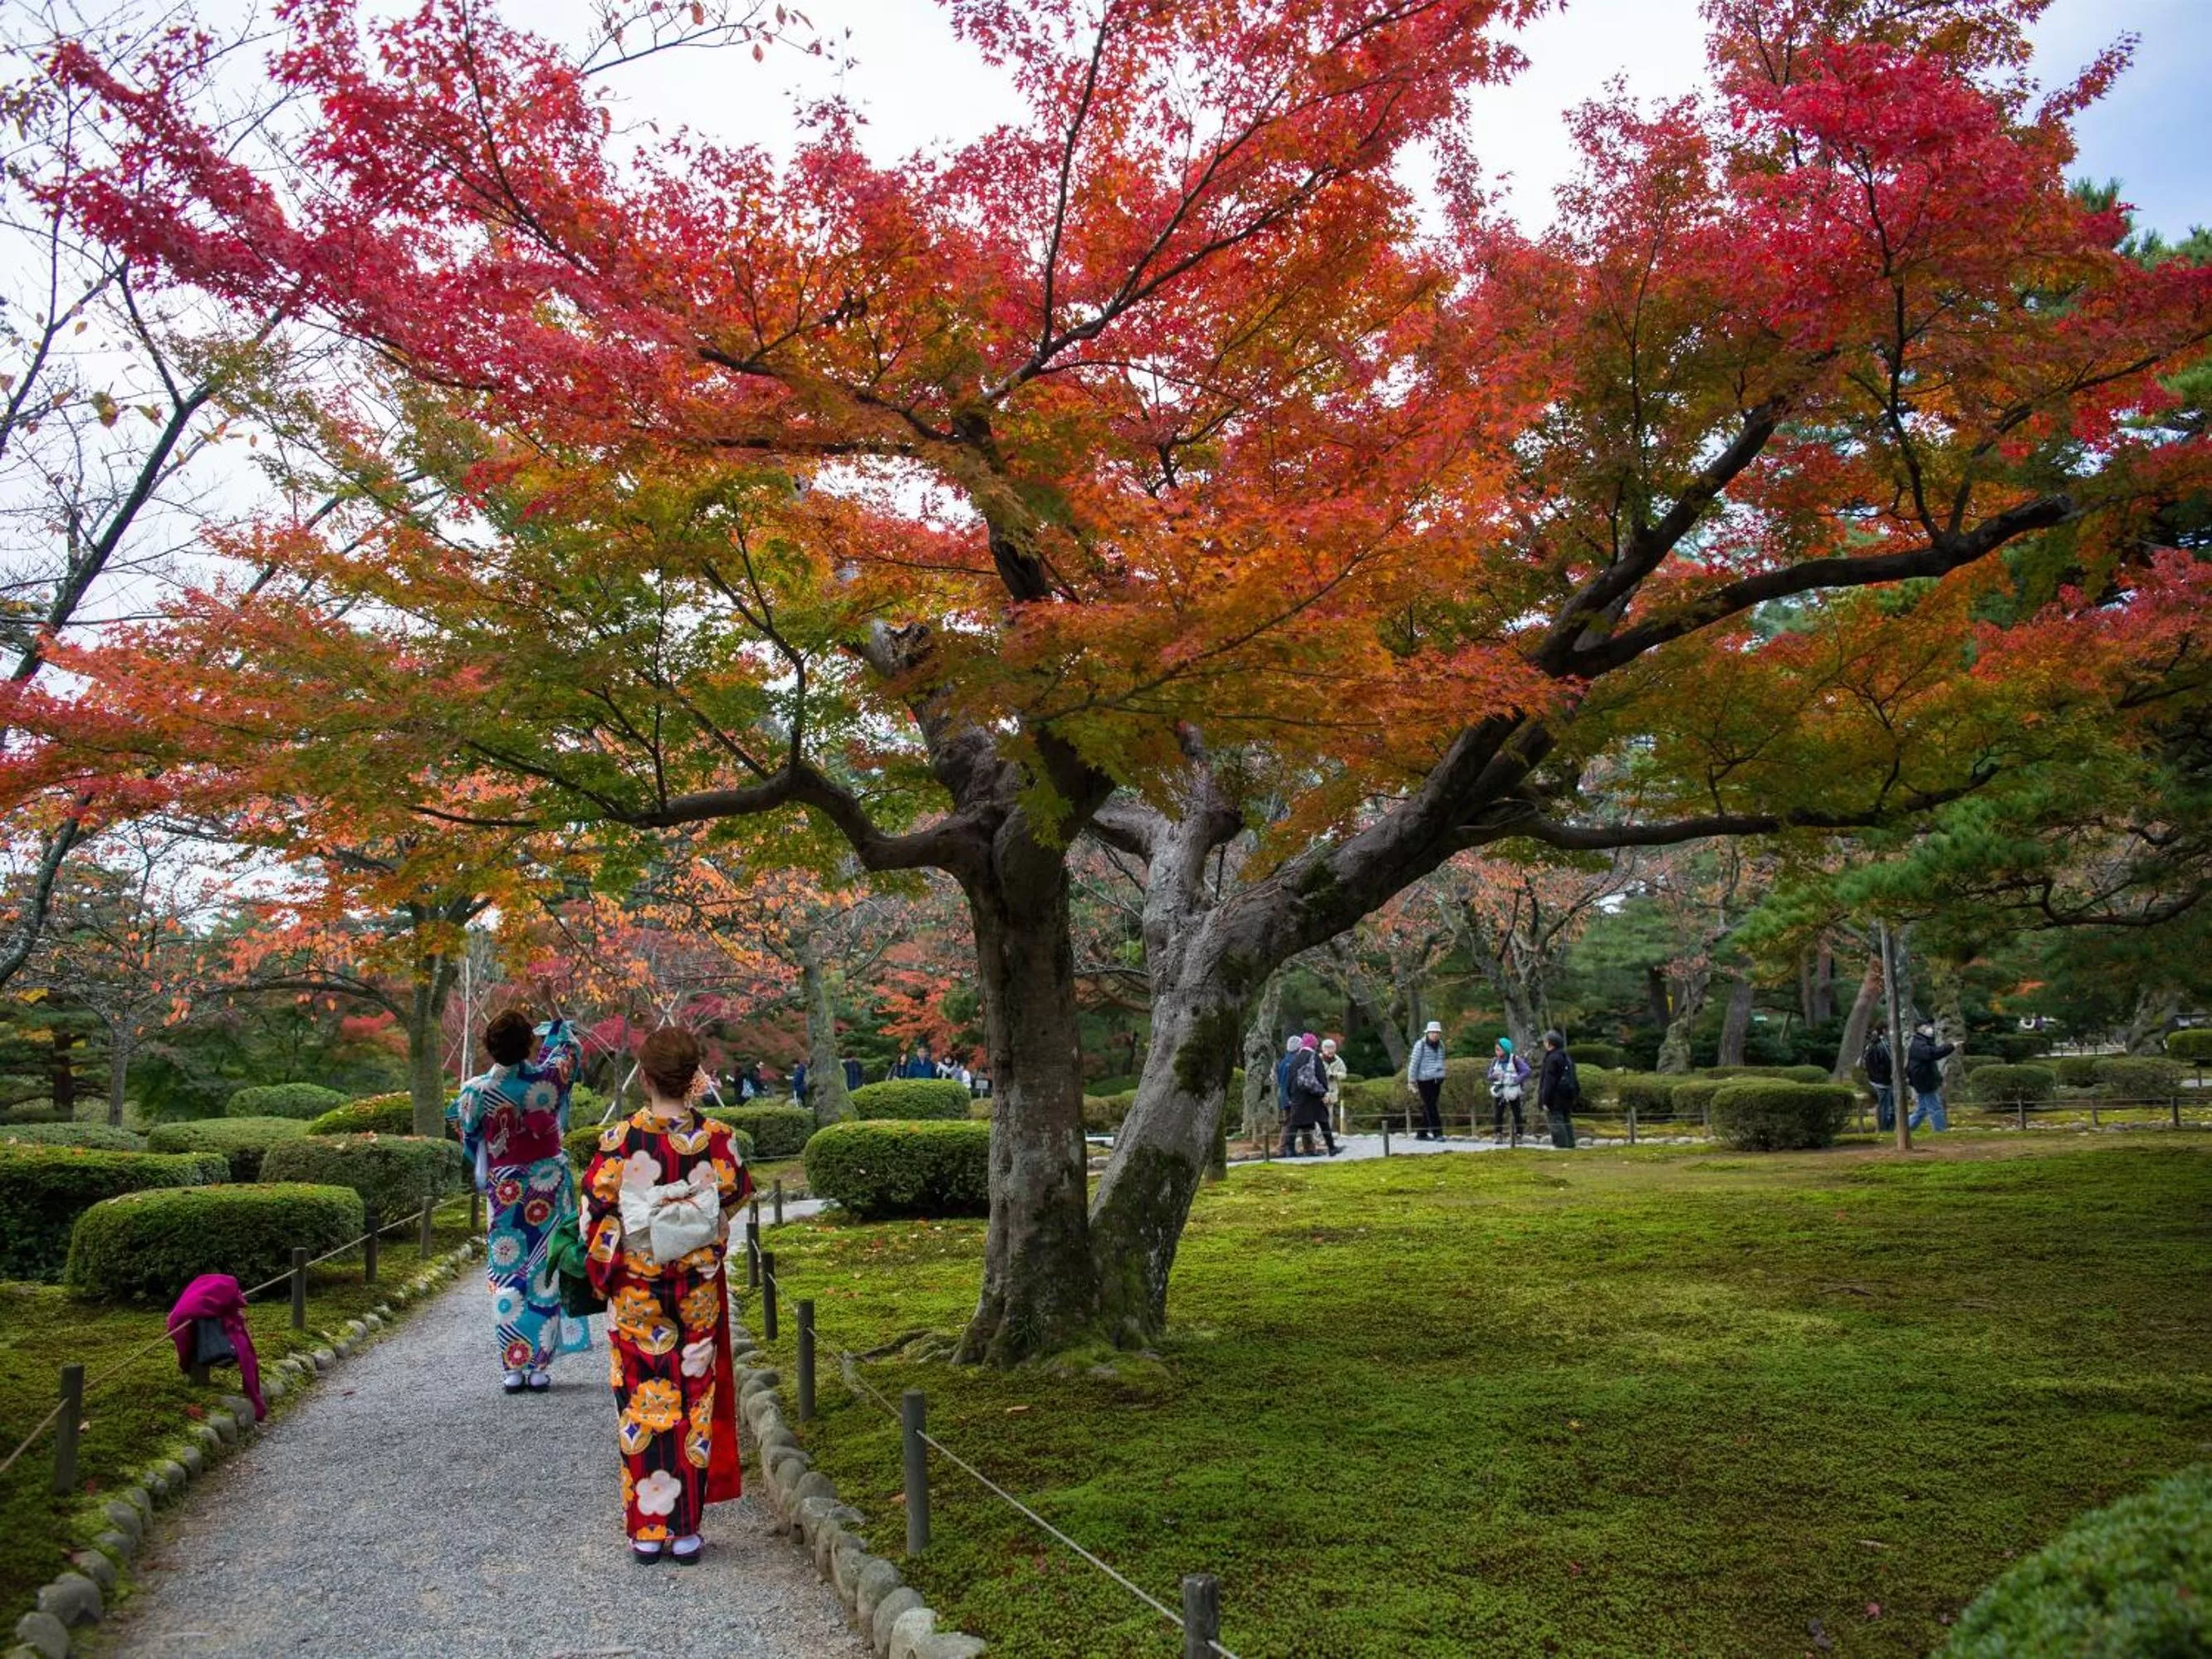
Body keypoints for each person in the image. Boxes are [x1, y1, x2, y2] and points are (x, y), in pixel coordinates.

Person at [581, 1025, 751, 1564]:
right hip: (696, 1292)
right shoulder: (718, 1140)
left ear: (646, 1078)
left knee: (641, 1401)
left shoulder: (618, 1143)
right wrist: (693, 1227)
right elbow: (734, 1199)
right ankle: (686, 1531)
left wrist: (624, 1252)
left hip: (637, 1296)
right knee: (693, 1400)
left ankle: (647, 1530)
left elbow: (594, 1215)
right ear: (694, 1078)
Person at [454, 1009, 592, 1394]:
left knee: (506, 1269)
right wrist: (557, 1026)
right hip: (549, 1182)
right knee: (544, 1269)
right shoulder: (546, 1079)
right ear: (528, 1045)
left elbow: (466, 1132)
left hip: (505, 1188)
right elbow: (565, 1052)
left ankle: (513, 1367)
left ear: (489, 1046)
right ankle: (541, 1368)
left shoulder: (475, 1090)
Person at [1280, 1034, 1341, 1157]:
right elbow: (1318, 1075)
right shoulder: (1313, 1057)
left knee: (1294, 1123)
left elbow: (1290, 1079)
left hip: (1297, 1096)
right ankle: (1332, 1147)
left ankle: (1290, 1150)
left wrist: (1291, 1095)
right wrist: (1323, 1091)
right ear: (1313, 1045)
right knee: (1323, 1120)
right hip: (1312, 1096)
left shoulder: (1295, 1059)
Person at [1906, 1020, 1957, 1133]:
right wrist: (1950, 1047)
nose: (1930, 1028)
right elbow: (1932, 1053)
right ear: (1919, 1029)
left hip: (1922, 1079)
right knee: (1935, 1107)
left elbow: (1933, 1052)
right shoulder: (1919, 1044)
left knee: (1922, 1109)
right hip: (1924, 1080)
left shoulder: (1923, 1041)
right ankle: (1940, 1130)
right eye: (1926, 1026)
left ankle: (1906, 1128)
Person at [1536, 1030, 1579, 1148]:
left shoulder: (1552, 1058)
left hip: (1555, 1096)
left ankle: (1561, 1145)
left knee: (1556, 1120)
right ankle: (1570, 1143)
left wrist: (1544, 1099)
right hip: (1567, 1094)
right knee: (1566, 1119)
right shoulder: (1566, 1056)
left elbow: (1549, 1081)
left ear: (1550, 1043)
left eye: (1545, 1042)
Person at [1407, 1020, 1448, 1140]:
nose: (1435, 1034)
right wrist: (1411, 1080)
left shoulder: (1441, 1045)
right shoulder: (1420, 1045)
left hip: (1437, 1079)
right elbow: (1414, 1063)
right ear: (1428, 1033)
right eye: (1432, 1032)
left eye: (1437, 1032)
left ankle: (1421, 1133)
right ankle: (1438, 1133)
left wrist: (1442, 1074)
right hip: (1424, 1079)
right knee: (1431, 1107)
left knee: (1430, 1106)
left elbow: (1441, 1060)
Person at [1486, 1037, 1530, 1142]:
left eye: (1498, 1049)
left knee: (1516, 1112)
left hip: (1512, 1091)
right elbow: (1489, 1075)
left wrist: (1517, 1079)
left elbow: (1526, 1070)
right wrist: (1494, 1076)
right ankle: (1498, 1134)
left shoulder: (1515, 1059)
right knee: (1498, 1113)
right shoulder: (1495, 1061)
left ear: (1505, 1049)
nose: (1496, 1052)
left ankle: (1519, 1134)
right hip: (1500, 1091)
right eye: (1495, 1049)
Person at [1862, 1030, 1896, 1132]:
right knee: (1886, 1107)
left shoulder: (1869, 1046)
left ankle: (1884, 1128)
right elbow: (1888, 1062)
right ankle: (1885, 1128)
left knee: (1884, 1107)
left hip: (1874, 1080)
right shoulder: (1882, 1046)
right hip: (1883, 1081)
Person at [1319, 1038, 1349, 1136]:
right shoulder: (1317, 1059)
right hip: (1320, 1091)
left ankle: (1327, 1135)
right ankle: (1318, 1135)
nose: (1330, 1053)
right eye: (1328, 1051)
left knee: (1329, 1114)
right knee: (1319, 1114)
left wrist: (1336, 1075)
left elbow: (1344, 1074)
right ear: (1323, 1050)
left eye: (1332, 1050)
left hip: (1332, 1091)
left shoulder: (1338, 1060)